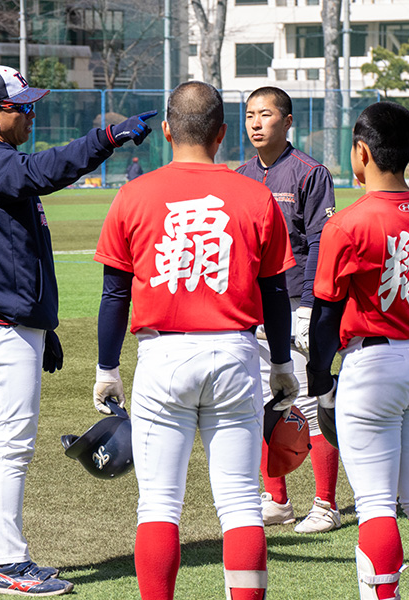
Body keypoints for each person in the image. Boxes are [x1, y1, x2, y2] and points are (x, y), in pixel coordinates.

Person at [0, 64, 156, 597]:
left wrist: (43, 324)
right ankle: (7, 565)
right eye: (24, 108)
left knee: (5, 447)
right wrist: (105, 137)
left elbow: (17, 253)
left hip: (5, 322)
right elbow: (43, 171)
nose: (31, 115)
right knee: (10, 449)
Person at [92, 81, 298, 600]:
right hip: (234, 352)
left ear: (165, 131)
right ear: (223, 134)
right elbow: (275, 292)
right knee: (240, 504)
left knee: (159, 506)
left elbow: (114, 294)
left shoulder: (133, 194)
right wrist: (281, 363)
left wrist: (107, 368)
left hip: (163, 355)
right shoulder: (255, 194)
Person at [307, 101, 409, 600]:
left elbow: (327, 313)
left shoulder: (348, 223)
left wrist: (317, 376)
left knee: (375, 504)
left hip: (372, 361)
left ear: (362, 152)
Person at [235, 86, 341, 533]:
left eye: (266, 115)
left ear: (288, 121)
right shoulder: (239, 175)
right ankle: (276, 500)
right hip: (254, 309)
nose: (256, 123)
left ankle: (326, 505)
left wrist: (309, 307)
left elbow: (321, 240)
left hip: (297, 303)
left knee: (309, 403)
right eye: (249, 116)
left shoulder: (310, 173)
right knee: (264, 403)